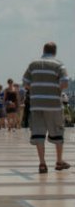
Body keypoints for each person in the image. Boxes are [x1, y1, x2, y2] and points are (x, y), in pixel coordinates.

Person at [22, 42, 70, 173]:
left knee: (38, 132)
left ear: (43, 50)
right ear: (55, 51)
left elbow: (25, 83)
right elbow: (65, 83)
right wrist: (54, 89)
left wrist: (37, 89)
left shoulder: (33, 64)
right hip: (53, 104)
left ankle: (42, 163)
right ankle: (59, 161)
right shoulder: (59, 64)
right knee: (58, 132)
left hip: (36, 104)